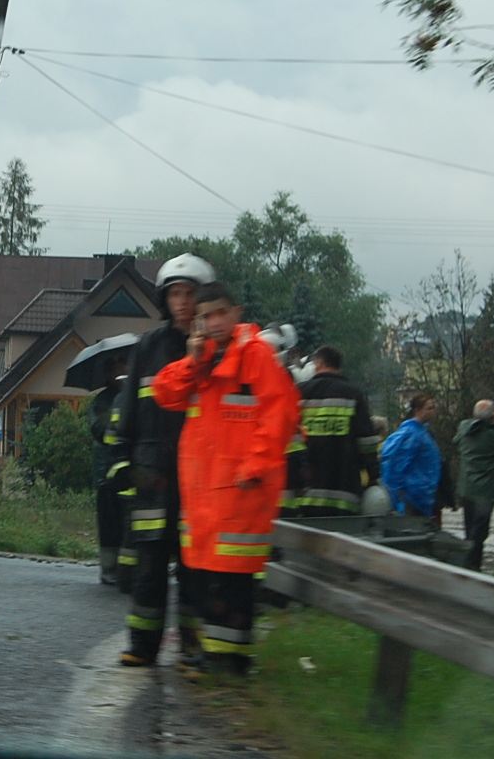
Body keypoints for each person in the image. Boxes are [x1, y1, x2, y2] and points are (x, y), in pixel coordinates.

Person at [153, 281, 301, 676]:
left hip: (240, 490)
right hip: (207, 495)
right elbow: (165, 393)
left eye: (220, 313)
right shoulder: (205, 358)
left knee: (231, 580)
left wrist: (254, 467)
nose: (214, 322)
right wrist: (192, 360)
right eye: (206, 316)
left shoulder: (254, 355)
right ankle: (221, 657)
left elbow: (281, 414)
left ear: (236, 313)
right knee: (210, 578)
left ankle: (228, 661)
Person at [107, 253, 216, 667]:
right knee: (149, 564)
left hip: (200, 475)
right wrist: (122, 460)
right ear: (165, 299)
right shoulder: (149, 346)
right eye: (175, 294)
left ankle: (192, 647)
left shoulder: (219, 350)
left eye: (189, 293)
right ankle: (142, 645)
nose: (182, 302)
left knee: (195, 564)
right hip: (152, 472)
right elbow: (128, 408)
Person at [286, 345, 381, 517]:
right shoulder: (353, 394)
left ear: (319, 363)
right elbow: (366, 443)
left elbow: (289, 439)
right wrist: (374, 476)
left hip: (306, 493)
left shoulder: (299, 393)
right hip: (344, 491)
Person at [456, 399, 494, 571]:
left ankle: (469, 564)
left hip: (466, 488)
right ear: (491, 417)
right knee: (480, 533)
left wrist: (489, 421)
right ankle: (471, 566)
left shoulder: (463, 429)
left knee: (469, 529)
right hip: (485, 491)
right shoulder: (491, 438)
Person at [89, 358, 128, 585]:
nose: (124, 370)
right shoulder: (102, 401)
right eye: (119, 366)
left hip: (127, 471)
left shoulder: (132, 396)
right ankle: (109, 567)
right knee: (109, 523)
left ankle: (126, 567)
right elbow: (99, 429)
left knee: (126, 522)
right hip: (106, 472)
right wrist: (118, 415)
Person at [381, 393, 442, 519]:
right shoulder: (411, 434)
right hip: (413, 495)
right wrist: (397, 496)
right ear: (417, 410)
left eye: (433, 408)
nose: (433, 411)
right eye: (429, 408)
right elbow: (396, 465)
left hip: (423, 494)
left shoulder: (422, 432)